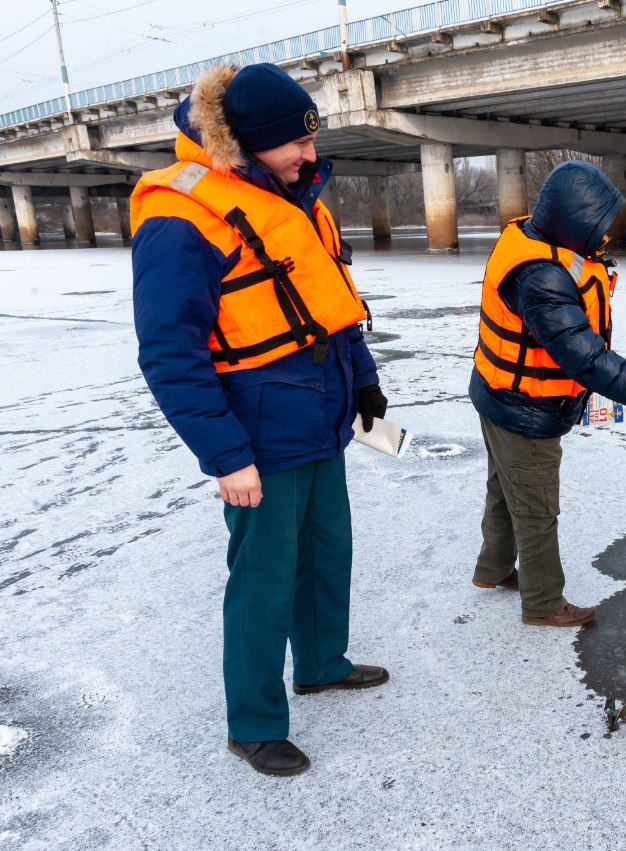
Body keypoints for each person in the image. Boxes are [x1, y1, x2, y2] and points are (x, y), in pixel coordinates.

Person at [131, 63, 390, 776]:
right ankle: (252, 721)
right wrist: (223, 453)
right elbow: (168, 352)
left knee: (327, 552)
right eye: (293, 144)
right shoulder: (179, 216)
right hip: (256, 438)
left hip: (321, 415)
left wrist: (363, 384)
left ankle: (321, 663)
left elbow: (332, 301)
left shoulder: (297, 198)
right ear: (244, 142)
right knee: (262, 579)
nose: (310, 156)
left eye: (311, 139)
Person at [470, 161, 626, 627]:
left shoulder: (540, 242)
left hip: (496, 394)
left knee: (503, 489)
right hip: (524, 408)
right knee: (535, 507)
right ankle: (544, 603)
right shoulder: (542, 277)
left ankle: (492, 570)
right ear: (575, 219)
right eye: (600, 222)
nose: (605, 233)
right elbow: (585, 358)